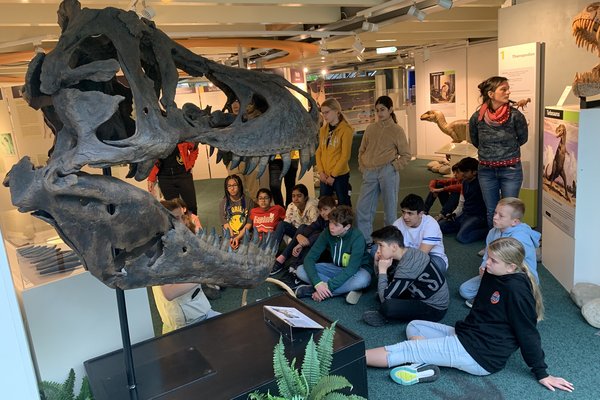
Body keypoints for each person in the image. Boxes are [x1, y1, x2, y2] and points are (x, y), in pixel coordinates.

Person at [366, 238, 574, 393]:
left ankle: (355, 357)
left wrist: (542, 373)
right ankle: (423, 364)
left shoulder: (517, 291)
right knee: (415, 326)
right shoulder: (493, 274)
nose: (486, 263)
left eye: (493, 260)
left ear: (511, 267)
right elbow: (480, 310)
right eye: (488, 257)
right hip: (467, 336)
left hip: (480, 355)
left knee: (405, 349)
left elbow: (528, 333)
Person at [152, 202, 220, 334]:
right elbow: (169, 293)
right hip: (187, 323)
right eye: (177, 218)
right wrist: (205, 274)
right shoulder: (159, 252)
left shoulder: (176, 242)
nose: (183, 221)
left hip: (199, 312)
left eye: (182, 217)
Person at [470, 76, 528, 227]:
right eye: (503, 89)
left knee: (510, 212)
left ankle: (509, 242)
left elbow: (523, 138)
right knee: (492, 211)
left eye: (508, 89)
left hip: (511, 171)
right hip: (486, 171)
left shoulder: (515, 116)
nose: (508, 92)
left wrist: (505, 152)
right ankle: (494, 241)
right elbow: (475, 141)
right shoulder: (477, 117)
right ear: (491, 94)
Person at [459, 197, 541, 306]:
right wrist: (483, 267)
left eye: (501, 216)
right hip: (496, 271)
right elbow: (487, 255)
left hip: (517, 278)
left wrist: (489, 273)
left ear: (515, 221)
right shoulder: (493, 232)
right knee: (465, 290)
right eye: (495, 213)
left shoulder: (520, 239)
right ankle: (495, 297)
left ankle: (492, 299)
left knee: (505, 296)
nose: (495, 217)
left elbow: (513, 268)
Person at [362, 226, 448, 327]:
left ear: (394, 247)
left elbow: (384, 299)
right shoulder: (409, 252)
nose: (378, 250)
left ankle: (385, 318)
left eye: (381, 245)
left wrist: (382, 270)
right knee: (385, 288)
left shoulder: (407, 267)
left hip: (434, 308)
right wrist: (377, 264)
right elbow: (387, 281)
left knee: (388, 306)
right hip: (418, 292)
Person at [356, 95, 411, 242]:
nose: (379, 113)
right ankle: (366, 241)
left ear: (390, 109)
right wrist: (363, 167)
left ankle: (389, 242)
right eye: (377, 110)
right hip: (370, 172)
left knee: (390, 210)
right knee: (362, 208)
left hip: (388, 172)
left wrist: (393, 167)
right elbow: (361, 150)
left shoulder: (397, 130)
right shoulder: (371, 128)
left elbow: (406, 155)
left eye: (382, 109)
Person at [294, 206, 372, 304]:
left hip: (358, 271)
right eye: (330, 222)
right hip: (336, 268)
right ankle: (344, 290)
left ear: (347, 227)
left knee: (363, 280)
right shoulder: (327, 232)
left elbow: (351, 269)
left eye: (336, 225)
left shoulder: (357, 237)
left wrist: (329, 286)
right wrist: (317, 283)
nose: (331, 227)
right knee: (300, 270)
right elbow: (309, 258)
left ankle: (319, 291)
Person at [270, 196, 336, 277]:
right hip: (314, 242)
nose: (323, 213)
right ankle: (290, 265)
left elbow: (323, 234)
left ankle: (295, 268)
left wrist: (306, 241)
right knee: (302, 228)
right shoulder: (321, 218)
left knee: (311, 242)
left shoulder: (334, 222)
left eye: (325, 209)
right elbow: (312, 227)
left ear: (334, 209)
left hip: (327, 252)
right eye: (321, 210)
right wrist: (299, 235)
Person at [392, 194, 448, 271]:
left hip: (432, 256)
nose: (405, 217)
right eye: (403, 212)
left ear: (421, 214)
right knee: (378, 250)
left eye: (410, 213)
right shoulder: (397, 224)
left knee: (433, 266)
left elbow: (421, 255)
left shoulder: (431, 224)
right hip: (407, 255)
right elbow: (390, 247)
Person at [438, 157, 488, 244]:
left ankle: (487, 231)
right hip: (465, 214)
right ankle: (463, 227)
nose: (462, 174)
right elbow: (461, 204)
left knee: (462, 237)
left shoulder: (482, 183)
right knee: (440, 226)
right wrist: (454, 214)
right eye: (462, 171)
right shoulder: (464, 182)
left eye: (466, 171)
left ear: (475, 172)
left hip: (478, 216)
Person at [315, 98, 354, 206]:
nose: (324, 115)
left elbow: (345, 156)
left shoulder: (346, 130)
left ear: (337, 111)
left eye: (327, 112)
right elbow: (319, 152)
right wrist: (321, 172)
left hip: (339, 175)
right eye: (323, 113)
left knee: (343, 204)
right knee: (324, 204)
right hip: (325, 175)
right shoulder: (323, 130)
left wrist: (333, 176)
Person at [147, 142, 199, 215]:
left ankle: (193, 222)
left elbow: (195, 149)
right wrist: (151, 178)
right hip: (165, 178)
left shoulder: (182, 136)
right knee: (173, 209)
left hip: (183, 175)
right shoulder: (158, 140)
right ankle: (178, 222)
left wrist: (190, 163)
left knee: (191, 206)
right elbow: (153, 160)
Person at [219, 174, 254, 250]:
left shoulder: (249, 201)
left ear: (240, 186)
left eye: (235, 185)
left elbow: (249, 223)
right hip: (229, 235)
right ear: (226, 188)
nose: (232, 188)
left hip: (245, 235)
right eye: (229, 186)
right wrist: (232, 237)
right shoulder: (223, 203)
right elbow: (225, 223)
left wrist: (237, 238)